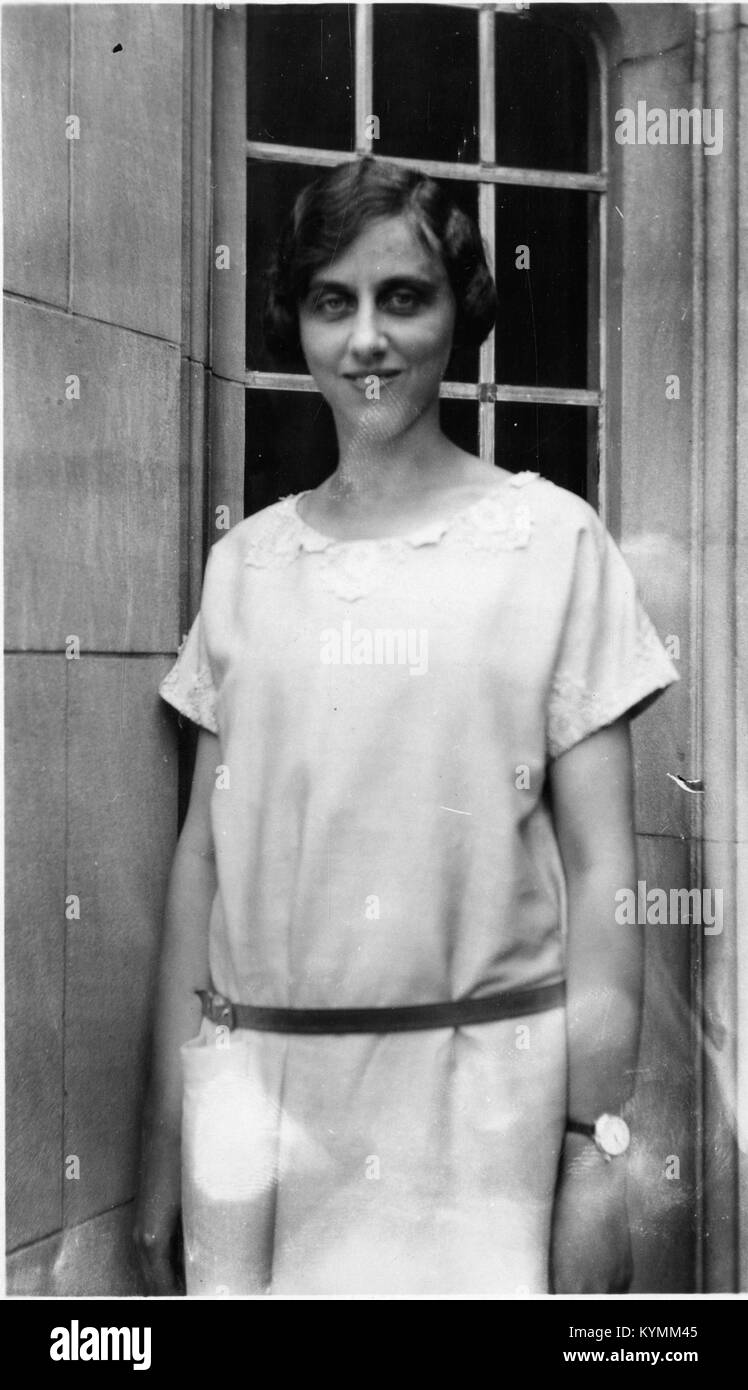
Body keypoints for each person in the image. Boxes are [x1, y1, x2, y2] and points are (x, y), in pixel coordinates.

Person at [134, 157, 678, 1297]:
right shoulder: (246, 568)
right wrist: (160, 1148)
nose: (367, 339)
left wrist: (593, 1136)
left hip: (483, 1114)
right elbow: (201, 863)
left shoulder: (551, 541)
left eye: (403, 297)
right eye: (334, 301)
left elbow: (601, 868)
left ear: (458, 314)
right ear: (299, 323)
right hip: (264, 1116)